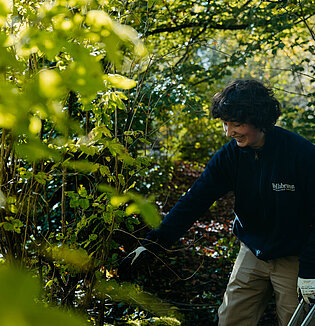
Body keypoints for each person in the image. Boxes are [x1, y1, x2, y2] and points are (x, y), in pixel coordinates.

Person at [118, 79, 315, 325]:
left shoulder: (301, 154)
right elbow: (195, 199)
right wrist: (154, 242)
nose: (229, 132)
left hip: (294, 255)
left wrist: (310, 269)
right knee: (231, 318)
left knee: (297, 320)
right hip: (252, 251)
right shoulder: (230, 157)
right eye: (225, 124)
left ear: (259, 120)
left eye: (237, 124)